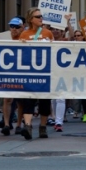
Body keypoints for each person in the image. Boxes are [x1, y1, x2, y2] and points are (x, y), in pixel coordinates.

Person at [19, 7, 54, 140]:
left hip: (45, 72)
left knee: (45, 100)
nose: (41, 18)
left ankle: (42, 127)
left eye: (41, 16)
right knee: (29, 99)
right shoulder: (24, 34)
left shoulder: (47, 33)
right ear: (30, 19)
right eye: (37, 16)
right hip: (30, 72)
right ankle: (27, 126)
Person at [0, 17, 25, 136]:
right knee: (7, 99)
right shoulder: (3, 38)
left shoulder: (26, 38)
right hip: (8, 72)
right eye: (11, 26)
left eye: (16, 27)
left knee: (20, 100)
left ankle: (19, 124)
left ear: (22, 27)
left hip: (23, 72)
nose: (13, 29)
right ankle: (6, 124)